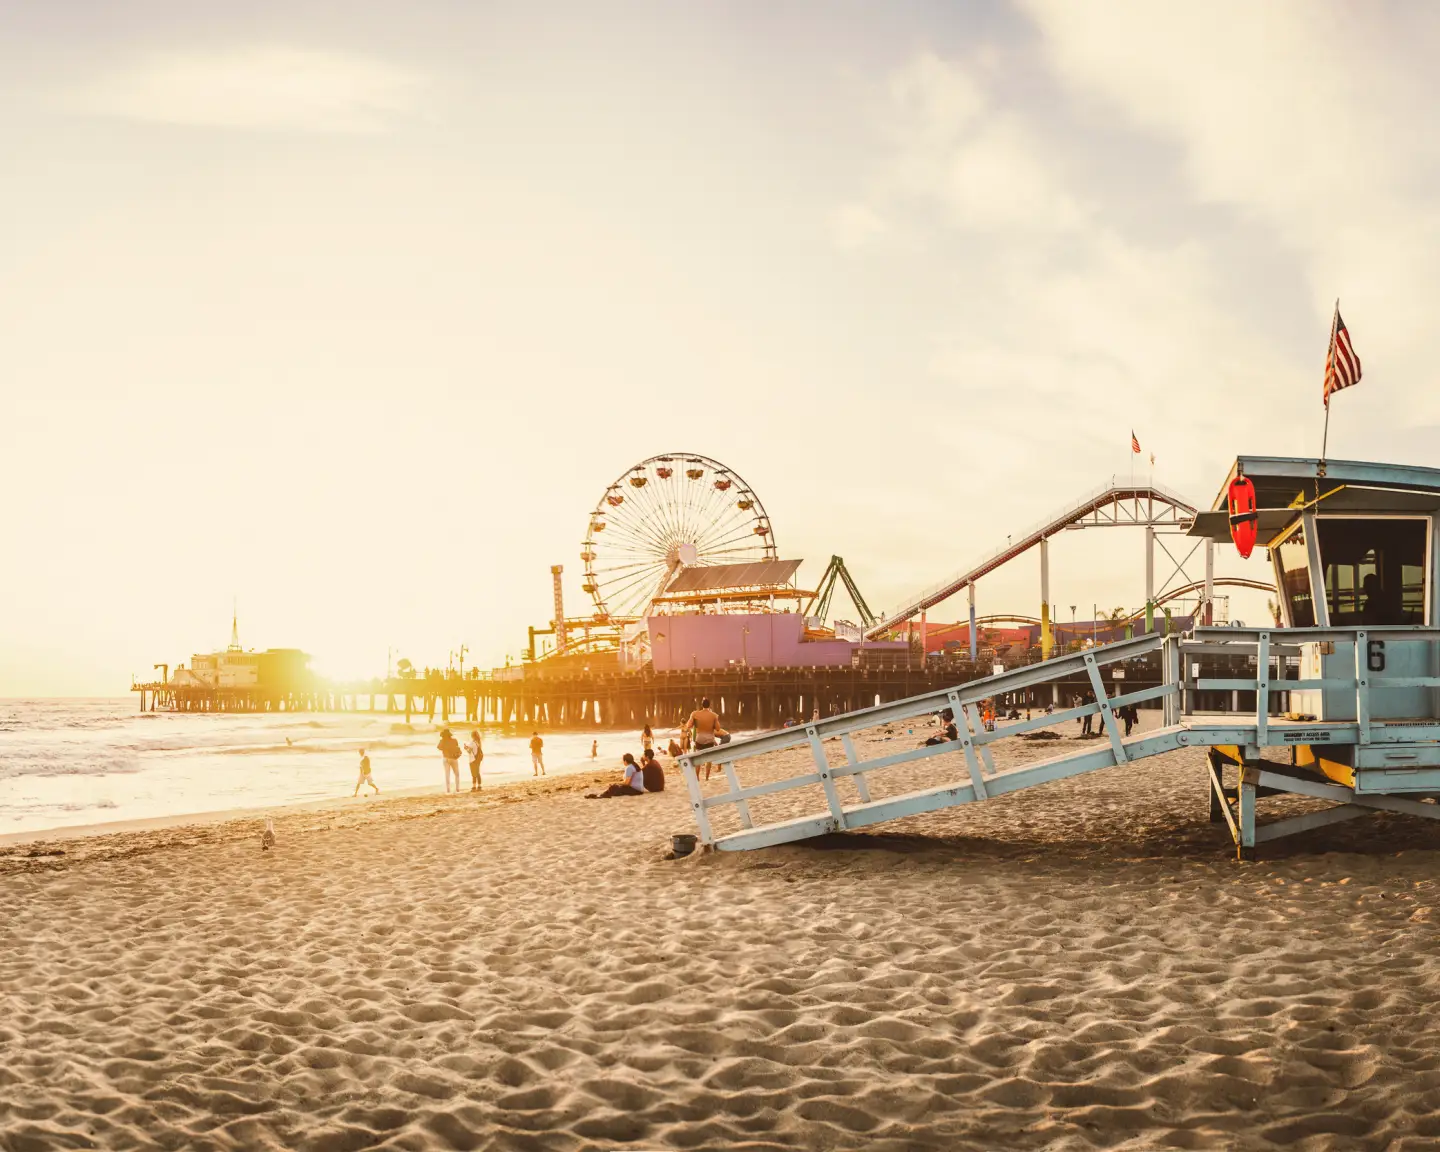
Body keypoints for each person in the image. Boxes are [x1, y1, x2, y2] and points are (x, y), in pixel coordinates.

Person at [683, 697, 727, 781]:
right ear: (709, 705)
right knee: (708, 759)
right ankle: (707, 777)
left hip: (699, 739)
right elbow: (718, 728)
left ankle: (697, 777)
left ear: (701, 705)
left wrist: (694, 720)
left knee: (698, 759)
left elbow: (688, 725)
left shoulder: (695, 714)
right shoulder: (714, 715)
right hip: (709, 740)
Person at [437, 728, 462, 792]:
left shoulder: (442, 741)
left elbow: (439, 747)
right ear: (449, 734)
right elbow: (456, 746)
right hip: (453, 758)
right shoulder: (454, 740)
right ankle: (457, 789)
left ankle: (448, 789)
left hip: (446, 759)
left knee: (447, 774)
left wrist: (444, 747)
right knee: (457, 774)